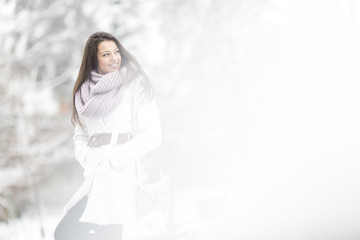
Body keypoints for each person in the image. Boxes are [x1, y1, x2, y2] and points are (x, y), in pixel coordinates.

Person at [54, 32, 162, 240]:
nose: (114, 58)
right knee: (65, 233)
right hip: (95, 175)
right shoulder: (84, 92)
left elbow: (152, 135)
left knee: (107, 234)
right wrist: (86, 158)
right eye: (106, 54)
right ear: (93, 59)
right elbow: (80, 136)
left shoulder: (135, 85)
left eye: (116, 52)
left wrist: (114, 160)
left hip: (120, 175)